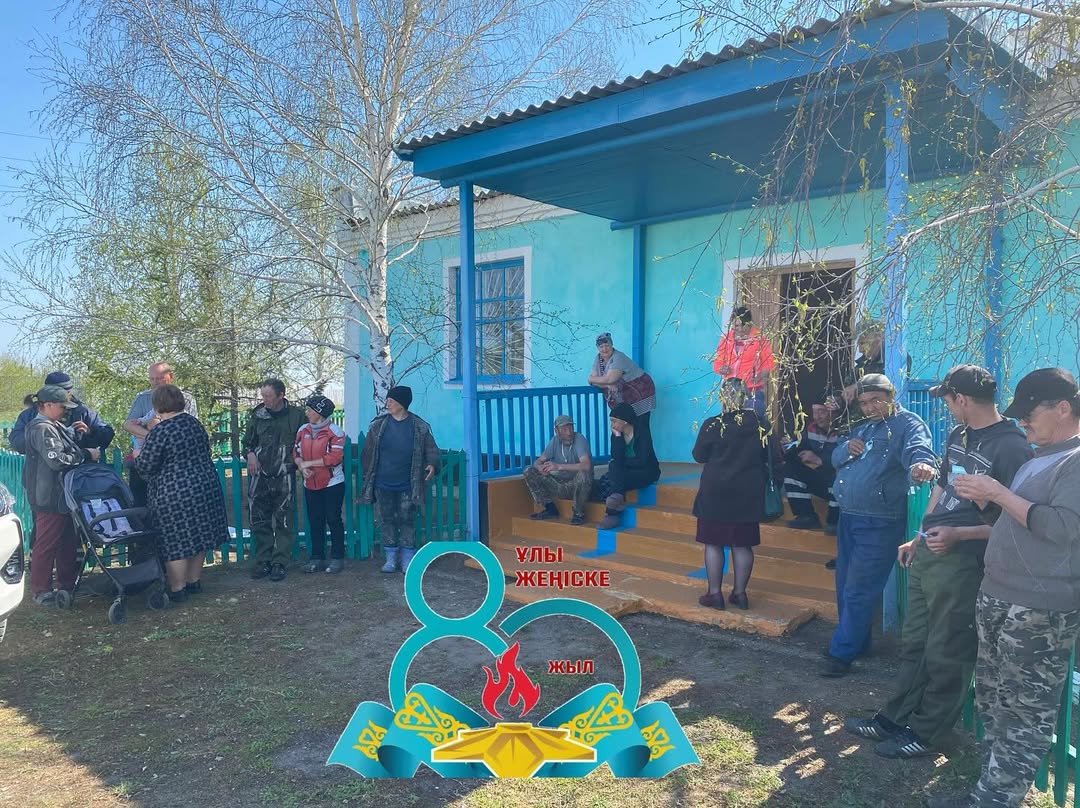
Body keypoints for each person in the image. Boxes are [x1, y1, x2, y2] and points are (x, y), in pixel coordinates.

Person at [843, 364, 1031, 760]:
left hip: (962, 559)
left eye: (947, 401)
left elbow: (1017, 520)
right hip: (931, 548)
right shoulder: (961, 434)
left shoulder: (1011, 447)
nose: (947, 408)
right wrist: (920, 533)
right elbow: (943, 486)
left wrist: (961, 535)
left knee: (948, 647)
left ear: (961, 399)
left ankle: (927, 732)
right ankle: (894, 717)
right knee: (916, 641)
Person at [925, 368, 1080, 808]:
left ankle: (995, 800)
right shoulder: (1038, 457)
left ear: (1063, 408)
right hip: (1001, 595)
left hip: (1039, 607)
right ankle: (992, 789)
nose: (1022, 421)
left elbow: (1064, 528)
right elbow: (1015, 521)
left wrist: (997, 492)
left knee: (1024, 713)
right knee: (994, 701)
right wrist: (986, 501)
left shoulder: (1074, 461)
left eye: (1029, 412)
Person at [822, 373, 938, 678]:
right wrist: (846, 449)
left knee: (859, 588)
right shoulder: (864, 427)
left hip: (879, 520)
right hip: (849, 517)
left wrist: (921, 465)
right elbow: (834, 458)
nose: (869, 407)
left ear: (891, 397)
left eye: (876, 400)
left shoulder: (908, 424)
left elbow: (919, 449)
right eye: (863, 403)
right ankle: (857, 644)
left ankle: (841, 654)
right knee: (845, 584)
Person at [133, 384, 229, 603]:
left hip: (174, 492)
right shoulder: (194, 424)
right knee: (199, 534)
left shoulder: (161, 431)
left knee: (174, 541)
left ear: (157, 405)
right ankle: (194, 580)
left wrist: (138, 454)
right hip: (205, 486)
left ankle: (178, 587)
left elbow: (146, 466)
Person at [691, 377, 779, 611]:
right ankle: (740, 594)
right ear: (745, 398)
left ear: (722, 398)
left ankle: (714, 594)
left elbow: (699, 456)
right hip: (748, 492)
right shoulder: (760, 424)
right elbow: (775, 455)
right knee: (742, 545)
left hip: (715, 492)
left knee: (713, 543)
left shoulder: (712, 424)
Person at [22, 385, 100, 605]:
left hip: (62, 495)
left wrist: (74, 433)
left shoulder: (53, 425)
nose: (66, 410)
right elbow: (56, 460)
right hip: (48, 496)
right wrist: (86, 454)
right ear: (47, 405)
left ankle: (68, 584)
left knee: (68, 541)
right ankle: (41, 590)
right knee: (46, 543)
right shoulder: (41, 428)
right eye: (62, 406)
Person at [359, 386, 440, 574]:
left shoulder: (419, 426)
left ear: (402, 404)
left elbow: (431, 449)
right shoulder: (378, 426)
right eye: (388, 400)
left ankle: (407, 559)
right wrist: (367, 474)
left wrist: (432, 464)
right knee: (386, 519)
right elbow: (368, 452)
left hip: (408, 483)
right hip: (383, 482)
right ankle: (390, 559)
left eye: (392, 401)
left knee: (407, 519)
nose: (387, 403)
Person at [243, 378, 307, 582]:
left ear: (281, 396)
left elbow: (304, 442)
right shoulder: (258, 415)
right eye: (263, 396)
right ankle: (263, 560)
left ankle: (280, 562)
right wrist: (250, 454)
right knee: (259, 519)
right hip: (259, 475)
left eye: (269, 396)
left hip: (284, 475)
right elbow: (248, 442)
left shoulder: (297, 416)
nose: (265, 400)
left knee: (283, 519)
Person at [124, 363, 198, 506]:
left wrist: (158, 436)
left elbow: (187, 431)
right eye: (152, 379)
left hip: (176, 465)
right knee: (142, 505)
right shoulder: (142, 398)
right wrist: (152, 436)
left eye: (159, 378)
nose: (156, 382)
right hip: (148, 458)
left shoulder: (186, 399)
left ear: (171, 376)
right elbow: (128, 424)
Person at [294, 395, 347, 574]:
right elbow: (296, 452)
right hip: (310, 483)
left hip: (332, 483)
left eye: (310, 410)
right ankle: (316, 557)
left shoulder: (335, 431)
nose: (307, 413)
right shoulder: (303, 430)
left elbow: (335, 457)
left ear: (320, 413)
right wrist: (301, 466)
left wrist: (309, 464)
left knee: (333, 518)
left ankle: (337, 557)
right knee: (315, 520)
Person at [8, 371, 114, 456]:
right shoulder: (30, 415)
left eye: (68, 393)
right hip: (43, 471)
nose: (66, 398)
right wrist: (41, 439)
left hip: (79, 471)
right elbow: (16, 440)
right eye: (60, 395)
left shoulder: (82, 412)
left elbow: (106, 435)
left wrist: (90, 432)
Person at [596, 402, 661, 530]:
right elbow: (616, 456)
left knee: (613, 476)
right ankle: (613, 511)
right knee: (614, 471)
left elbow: (642, 460)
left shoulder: (642, 433)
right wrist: (617, 437)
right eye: (611, 421)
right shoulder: (616, 434)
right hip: (626, 471)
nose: (612, 425)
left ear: (625, 421)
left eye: (614, 421)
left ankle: (612, 514)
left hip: (647, 471)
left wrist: (622, 463)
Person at [522, 414, 593, 526]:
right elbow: (538, 461)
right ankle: (550, 508)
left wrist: (558, 466)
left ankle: (578, 513)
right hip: (559, 484)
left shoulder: (579, 439)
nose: (569, 433)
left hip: (576, 485)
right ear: (557, 431)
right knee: (529, 471)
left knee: (584, 473)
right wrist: (540, 468)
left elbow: (586, 465)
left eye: (571, 428)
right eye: (564, 429)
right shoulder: (555, 441)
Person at [783, 397, 840, 534]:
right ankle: (806, 516)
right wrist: (788, 447)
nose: (817, 417)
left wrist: (820, 460)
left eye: (822, 412)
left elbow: (846, 459)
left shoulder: (845, 431)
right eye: (815, 412)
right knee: (791, 469)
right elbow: (798, 447)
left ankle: (835, 521)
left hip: (839, 484)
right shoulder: (811, 429)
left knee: (839, 477)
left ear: (834, 413)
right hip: (821, 481)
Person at [712, 306, 775, 419]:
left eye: (743, 325)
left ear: (750, 323)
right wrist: (722, 368)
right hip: (731, 391)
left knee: (753, 422)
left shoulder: (759, 338)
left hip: (752, 390)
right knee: (729, 422)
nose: (740, 329)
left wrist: (761, 375)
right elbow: (717, 363)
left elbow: (769, 362)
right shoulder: (726, 338)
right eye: (736, 326)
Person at [587, 333, 657, 429]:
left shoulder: (618, 357)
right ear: (597, 348)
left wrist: (590, 379)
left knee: (640, 426)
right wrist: (606, 385)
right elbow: (597, 382)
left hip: (640, 392)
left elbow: (610, 379)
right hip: (623, 397)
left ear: (612, 345)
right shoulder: (598, 358)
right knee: (622, 426)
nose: (604, 349)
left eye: (607, 345)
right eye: (601, 347)